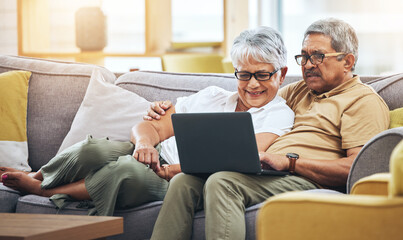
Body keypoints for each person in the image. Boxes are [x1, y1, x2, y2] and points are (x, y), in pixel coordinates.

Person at [1, 26, 295, 216]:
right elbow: (151, 127)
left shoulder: (279, 114)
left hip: (180, 179)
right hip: (153, 159)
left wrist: (167, 170)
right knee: (90, 150)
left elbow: (237, 159)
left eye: (263, 74)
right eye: (244, 74)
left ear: (280, 75)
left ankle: (42, 190)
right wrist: (145, 144)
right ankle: (39, 175)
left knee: (121, 173)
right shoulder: (212, 96)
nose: (252, 84)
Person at [147, 18, 390, 240]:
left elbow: (358, 168)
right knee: (184, 181)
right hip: (267, 172)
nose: (307, 64)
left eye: (317, 56)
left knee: (222, 181)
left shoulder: (362, 101)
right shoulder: (299, 90)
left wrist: (290, 162)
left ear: (347, 61)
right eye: (303, 56)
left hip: (304, 179)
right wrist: (168, 109)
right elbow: (253, 96)